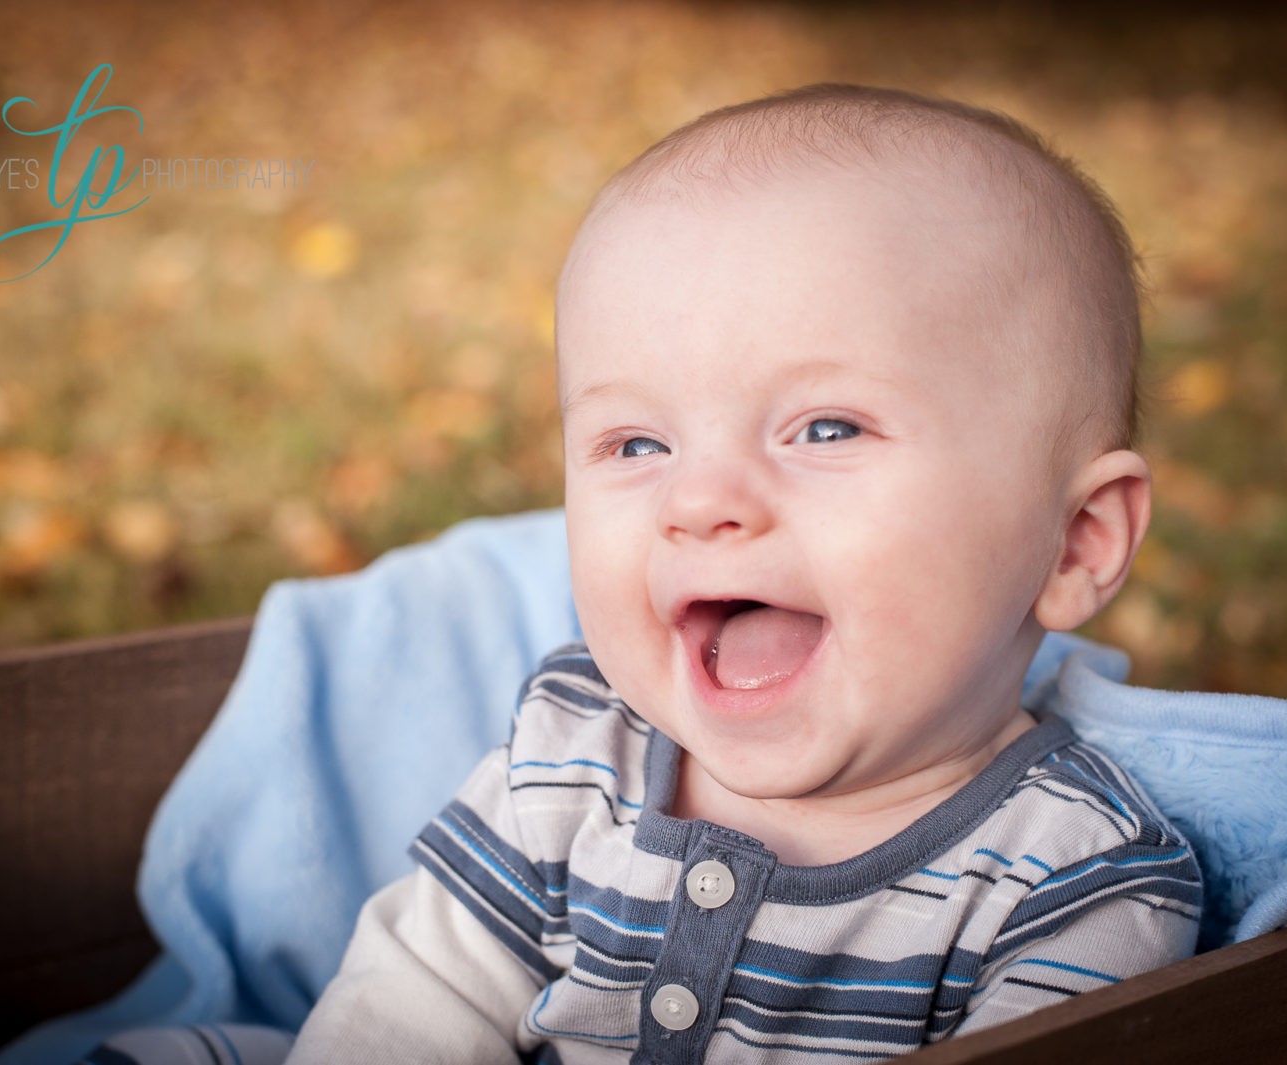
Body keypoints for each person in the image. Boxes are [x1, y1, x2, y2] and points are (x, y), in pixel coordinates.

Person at [286, 84, 1203, 1064]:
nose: (698, 500)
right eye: (637, 443)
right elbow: (412, 1003)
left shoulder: (1070, 883)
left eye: (824, 428)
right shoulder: (571, 757)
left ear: (1072, 543)